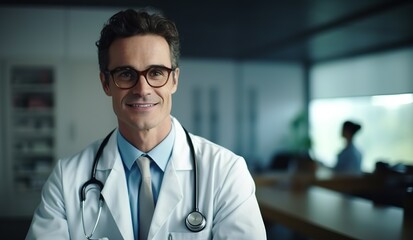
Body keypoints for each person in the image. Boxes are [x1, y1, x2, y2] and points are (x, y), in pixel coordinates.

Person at [26, 9, 266, 240]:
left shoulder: (226, 173)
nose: (142, 89)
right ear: (106, 83)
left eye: (156, 73)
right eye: (126, 74)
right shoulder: (66, 179)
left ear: (174, 80)